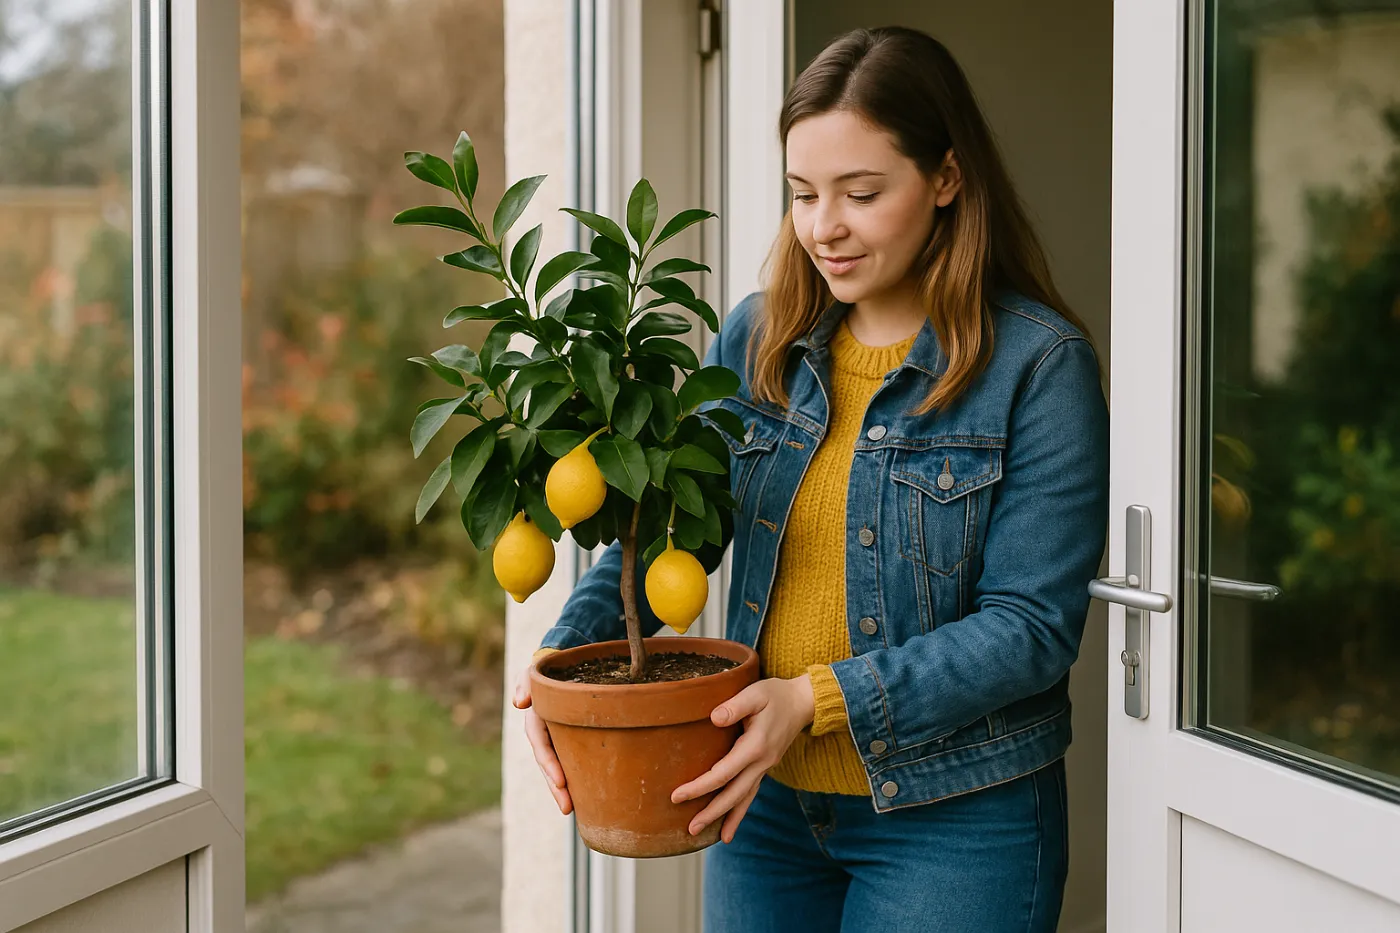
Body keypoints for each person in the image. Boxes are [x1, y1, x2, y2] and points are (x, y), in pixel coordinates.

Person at [513, 24, 1108, 933]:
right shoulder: (760, 339)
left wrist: (814, 699)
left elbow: (1030, 628)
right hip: (768, 808)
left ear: (946, 179)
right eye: (803, 193)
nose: (824, 226)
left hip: (957, 817)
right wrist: (565, 663)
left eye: (861, 193)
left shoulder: (1036, 365)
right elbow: (677, 523)